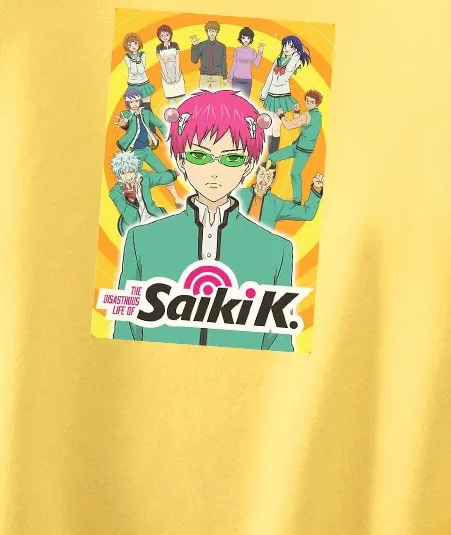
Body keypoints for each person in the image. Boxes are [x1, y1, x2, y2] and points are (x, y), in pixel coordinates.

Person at [112, 89, 306, 350]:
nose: (215, 170)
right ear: (181, 160)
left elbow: (279, 345)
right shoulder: (142, 241)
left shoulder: (276, 251)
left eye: (232, 158)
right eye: (199, 156)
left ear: (248, 166)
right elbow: (124, 333)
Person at [115, 89, 184, 205]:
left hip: (147, 150)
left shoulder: (146, 114)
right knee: (131, 178)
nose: (134, 104)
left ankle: (177, 198)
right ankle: (133, 203)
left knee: (165, 172)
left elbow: (160, 125)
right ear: (128, 103)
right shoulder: (126, 115)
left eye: (136, 101)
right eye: (131, 102)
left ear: (140, 101)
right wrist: (124, 123)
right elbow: (124, 123)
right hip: (134, 154)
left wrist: (171, 137)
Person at [267, 88, 324, 203]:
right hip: (296, 146)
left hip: (304, 150)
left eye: (312, 102)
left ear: (317, 103)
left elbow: (289, 126)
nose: (309, 104)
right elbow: (298, 122)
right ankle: (267, 183)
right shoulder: (315, 115)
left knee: (295, 174)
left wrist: (281, 115)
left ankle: (297, 201)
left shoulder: (309, 115)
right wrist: (297, 111)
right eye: (307, 101)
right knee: (271, 157)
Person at [234, 159, 324, 229]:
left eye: (268, 176)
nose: (264, 179)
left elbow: (307, 213)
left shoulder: (276, 204)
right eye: (262, 174)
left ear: (273, 180)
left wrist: (317, 188)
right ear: (256, 175)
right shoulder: (238, 194)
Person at [259, 34, 311, 153]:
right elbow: (270, 78)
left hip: (282, 96)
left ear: (296, 49)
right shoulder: (278, 60)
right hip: (271, 95)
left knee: (276, 125)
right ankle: (270, 154)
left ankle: (272, 156)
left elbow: (288, 70)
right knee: (271, 125)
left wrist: (296, 53)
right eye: (285, 46)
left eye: (290, 46)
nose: (286, 48)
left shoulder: (295, 60)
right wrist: (263, 93)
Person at [109, 151, 178, 235]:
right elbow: (131, 219)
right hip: (135, 227)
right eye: (123, 173)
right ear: (118, 174)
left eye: (131, 171)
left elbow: (161, 178)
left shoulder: (144, 177)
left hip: (153, 216)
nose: (128, 177)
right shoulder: (116, 193)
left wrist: (174, 174)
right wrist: (131, 199)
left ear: (135, 170)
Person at [189, 20, 228, 90]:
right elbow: (194, 60)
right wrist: (194, 46)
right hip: (204, 75)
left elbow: (223, 62)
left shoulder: (222, 46)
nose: (212, 33)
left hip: (216, 76)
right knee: (203, 96)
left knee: (216, 96)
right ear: (207, 32)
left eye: (214, 31)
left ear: (217, 32)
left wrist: (225, 77)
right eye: (210, 31)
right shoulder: (201, 45)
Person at [228, 26, 264, 97]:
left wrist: (260, 52)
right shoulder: (237, 50)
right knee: (235, 99)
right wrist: (229, 79)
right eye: (244, 38)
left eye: (248, 38)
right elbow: (234, 64)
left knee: (245, 99)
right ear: (241, 38)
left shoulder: (252, 51)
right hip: (236, 79)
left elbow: (256, 64)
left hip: (247, 80)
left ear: (251, 39)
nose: (246, 40)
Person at [155, 24, 186, 102]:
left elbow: (177, 61)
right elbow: (161, 63)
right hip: (166, 73)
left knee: (181, 98)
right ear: (159, 37)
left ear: (170, 34)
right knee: (171, 98)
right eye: (162, 35)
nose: (165, 37)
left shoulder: (175, 45)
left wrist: (177, 75)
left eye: (167, 34)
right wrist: (166, 77)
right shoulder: (158, 48)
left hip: (176, 71)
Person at [123, 32, 155, 106]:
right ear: (127, 46)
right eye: (130, 44)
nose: (133, 46)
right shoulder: (127, 56)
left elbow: (141, 71)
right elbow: (133, 71)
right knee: (135, 106)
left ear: (139, 43)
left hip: (144, 82)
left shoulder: (142, 54)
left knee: (147, 105)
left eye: (135, 43)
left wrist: (138, 61)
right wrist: (134, 61)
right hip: (132, 83)